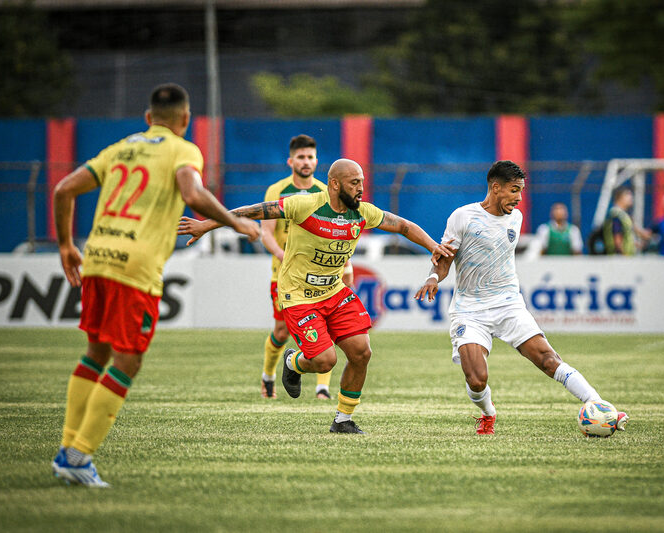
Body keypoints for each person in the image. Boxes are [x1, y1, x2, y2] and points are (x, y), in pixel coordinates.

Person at [51, 83, 260, 487]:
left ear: (148, 118)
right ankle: (78, 457)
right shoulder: (183, 149)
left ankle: (68, 450)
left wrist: (65, 245)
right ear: (185, 120)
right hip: (136, 268)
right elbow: (192, 192)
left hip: (97, 258)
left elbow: (63, 189)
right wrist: (235, 222)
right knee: (127, 361)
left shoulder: (119, 148)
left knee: (96, 352)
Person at [179, 158, 453, 434]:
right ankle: (292, 362)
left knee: (361, 352)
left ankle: (343, 420)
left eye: (362, 182)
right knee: (325, 361)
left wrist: (433, 245)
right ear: (335, 184)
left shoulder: (363, 213)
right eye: (354, 182)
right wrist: (206, 225)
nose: (361, 188)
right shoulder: (304, 205)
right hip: (299, 296)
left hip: (335, 292)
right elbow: (251, 211)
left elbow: (403, 226)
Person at [414, 160, 628, 435]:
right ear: (495, 187)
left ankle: (599, 406)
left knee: (549, 359)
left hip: (508, 304)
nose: (519, 198)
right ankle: (488, 413)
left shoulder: (516, 217)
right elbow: (445, 258)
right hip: (470, 309)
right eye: (514, 190)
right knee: (477, 379)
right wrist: (433, 277)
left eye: (521, 191)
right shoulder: (463, 217)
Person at [258, 134, 352, 400]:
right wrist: (281, 254)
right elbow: (266, 232)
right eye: (301, 157)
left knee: (327, 327)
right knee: (280, 331)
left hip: (320, 275)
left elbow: (337, 230)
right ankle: (268, 376)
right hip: (285, 276)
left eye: (310, 157)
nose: (306, 161)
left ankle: (322, 388)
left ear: (316, 161)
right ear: (291, 161)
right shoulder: (277, 191)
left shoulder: (325, 192)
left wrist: (345, 264)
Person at [602, 186, 650, 255]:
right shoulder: (616, 214)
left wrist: (637, 245)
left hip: (627, 256)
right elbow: (617, 237)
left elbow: (627, 237)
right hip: (620, 258)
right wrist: (622, 253)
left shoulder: (624, 215)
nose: (631, 198)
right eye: (627, 195)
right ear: (619, 197)